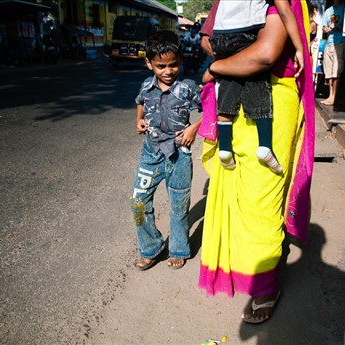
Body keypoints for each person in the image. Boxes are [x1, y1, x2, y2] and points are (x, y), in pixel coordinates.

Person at [198, 0, 315, 324]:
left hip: (274, 99)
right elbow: (207, 38)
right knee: (235, 191)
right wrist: (234, 52)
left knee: (262, 199)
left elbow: (265, 53)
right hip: (233, 94)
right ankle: (239, 267)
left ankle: (265, 286)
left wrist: (216, 67)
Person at [131, 31, 202, 271]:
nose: (168, 71)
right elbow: (140, 101)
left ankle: (179, 249)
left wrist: (194, 127)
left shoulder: (187, 88)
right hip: (150, 153)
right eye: (161, 66)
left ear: (180, 61)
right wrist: (138, 120)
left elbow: (210, 109)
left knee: (179, 206)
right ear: (148, 63)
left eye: (173, 65)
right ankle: (151, 247)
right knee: (138, 203)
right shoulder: (146, 86)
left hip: (179, 155)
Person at [209, 0, 306, 173]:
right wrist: (299, 48)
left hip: (219, 36)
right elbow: (284, 10)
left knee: (229, 78)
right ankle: (265, 146)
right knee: (256, 79)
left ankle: (224, 147)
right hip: (244, 33)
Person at [320, 0, 345, 106]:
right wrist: (326, 29)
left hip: (340, 42)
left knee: (337, 71)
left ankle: (334, 97)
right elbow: (323, 27)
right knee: (329, 72)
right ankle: (330, 96)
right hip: (329, 43)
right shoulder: (328, 11)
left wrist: (336, 27)